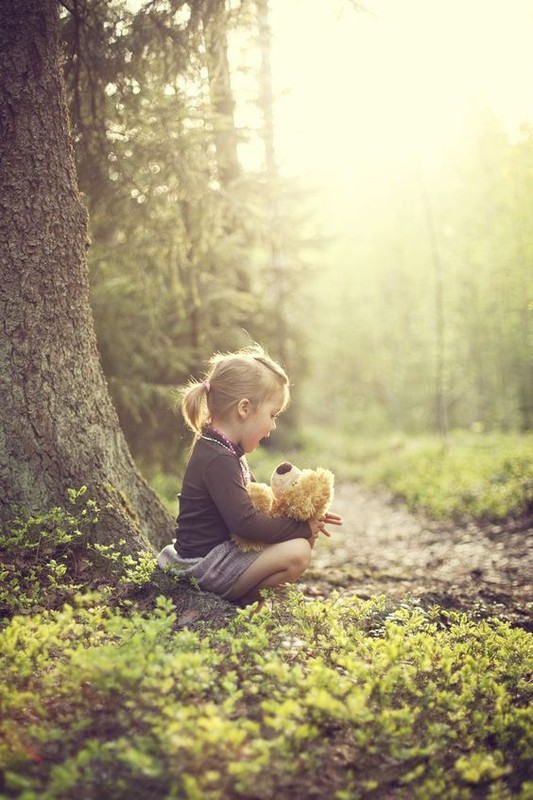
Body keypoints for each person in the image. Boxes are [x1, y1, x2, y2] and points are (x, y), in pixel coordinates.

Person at [157, 344, 342, 606]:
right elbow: (245, 523)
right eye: (272, 414)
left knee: (300, 540)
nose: (273, 425)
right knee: (298, 551)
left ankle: (240, 603)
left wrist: (307, 519)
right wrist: (301, 528)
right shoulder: (218, 458)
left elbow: (258, 509)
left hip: (219, 557)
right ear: (244, 409)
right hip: (204, 565)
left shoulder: (225, 450)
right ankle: (238, 607)